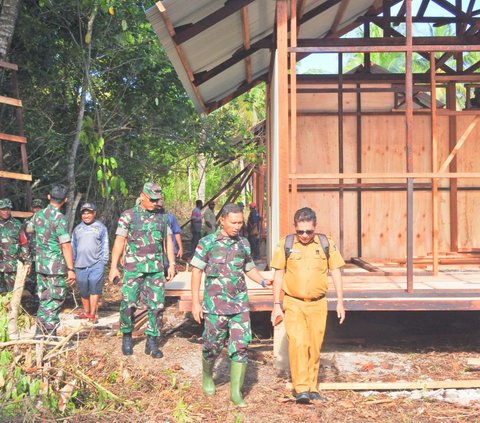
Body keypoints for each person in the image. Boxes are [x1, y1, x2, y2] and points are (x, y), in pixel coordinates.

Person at [190, 203, 272, 407]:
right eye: (233, 222)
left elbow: (248, 267)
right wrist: (195, 302)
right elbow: (196, 272)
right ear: (222, 220)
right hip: (215, 307)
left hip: (239, 306)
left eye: (240, 222)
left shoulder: (244, 243)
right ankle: (208, 377)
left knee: (241, 347)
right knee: (211, 346)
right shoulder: (207, 243)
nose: (237, 226)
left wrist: (262, 280)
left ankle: (236, 392)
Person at [270, 207, 345, 404]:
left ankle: (312, 387)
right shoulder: (285, 244)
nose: (304, 235)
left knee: (314, 345)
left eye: (309, 231)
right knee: (298, 343)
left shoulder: (325, 243)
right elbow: (278, 274)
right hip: (293, 302)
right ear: (295, 228)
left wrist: (340, 301)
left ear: (315, 228)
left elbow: (336, 271)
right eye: (300, 231)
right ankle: (301, 387)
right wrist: (276, 304)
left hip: (318, 304)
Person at [109, 182, 175, 358]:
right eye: (152, 200)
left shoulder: (163, 217)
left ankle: (152, 342)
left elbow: (167, 240)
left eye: (157, 200)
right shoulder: (128, 216)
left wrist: (172, 264)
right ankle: (127, 336)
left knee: (156, 306)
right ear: (142, 196)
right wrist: (114, 267)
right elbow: (120, 241)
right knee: (128, 305)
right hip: (133, 268)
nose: (155, 203)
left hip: (155, 269)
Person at [26, 185, 76, 338]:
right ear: (65, 200)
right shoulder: (59, 218)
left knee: (44, 297)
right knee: (55, 299)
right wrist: (71, 269)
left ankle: (40, 332)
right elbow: (65, 245)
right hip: (55, 266)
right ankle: (50, 335)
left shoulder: (39, 214)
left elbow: (29, 229)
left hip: (41, 265)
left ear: (49, 197)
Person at [72, 202, 109, 324]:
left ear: (94, 213)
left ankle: (93, 314)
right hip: (80, 265)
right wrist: (71, 263)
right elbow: (73, 246)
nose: (86, 216)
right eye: (84, 213)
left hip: (96, 264)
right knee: (83, 290)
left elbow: (105, 245)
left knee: (94, 289)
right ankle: (86, 312)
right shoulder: (77, 229)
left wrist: (104, 261)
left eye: (89, 213)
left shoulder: (101, 228)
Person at [0, 198, 29, 293]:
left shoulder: (17, 224)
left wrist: (27, 261)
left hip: (11, 266)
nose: (6, 212)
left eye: (8, 209)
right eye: (3, 209)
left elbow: (24, 243)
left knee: (12, 292)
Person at [24, 199, 45, 295]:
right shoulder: (27, 221)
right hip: (30, 253)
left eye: (39, 208)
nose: (37, 209)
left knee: (42, 275)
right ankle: (31, 295)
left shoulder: (46, 221)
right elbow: (23, 237)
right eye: (35, 207)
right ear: (32, 208)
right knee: (30, 276)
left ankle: (39, 295)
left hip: (43, 254)